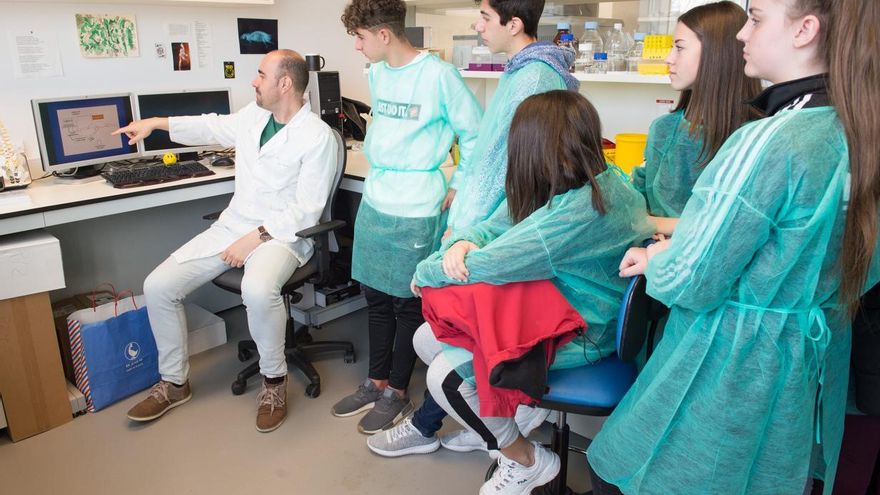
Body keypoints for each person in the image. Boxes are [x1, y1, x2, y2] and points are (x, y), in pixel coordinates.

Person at [586, 0, 880, 493]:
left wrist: (658, 259)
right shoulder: (856, 131)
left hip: (730, 358)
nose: (743, 34)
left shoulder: (770, 141)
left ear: (805, 30)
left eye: (757, 18)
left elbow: (692, 280)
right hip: (803, 362)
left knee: (627, 472)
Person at [366, 0, 581, 457]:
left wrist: (464, 230)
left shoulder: (534, 78)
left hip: (500, 229)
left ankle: (446, 427)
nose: (477, 25)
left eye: (484, 17)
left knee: (455, 338)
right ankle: (476, 421)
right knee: (453, 338)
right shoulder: (523, 71)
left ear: (514, 23)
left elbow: (499, 167)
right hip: (492, 225)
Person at [413, 90, 653, 494]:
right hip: (563, 308)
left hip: (582, 333)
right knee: (425, 338)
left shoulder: (575, 213)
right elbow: (494, 226)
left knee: (445, 377)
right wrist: (463, 242)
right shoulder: (600, 179)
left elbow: (490, 264)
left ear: (534, 148)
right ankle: (503, 424)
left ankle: (527, 460)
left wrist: (425, 272)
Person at [117, 50, 337, 433]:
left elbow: (307, 210)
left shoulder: (317, 137)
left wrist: (256, 237)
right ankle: (175, 383)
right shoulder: (255, 117)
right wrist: (156, 123)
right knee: (158, 286)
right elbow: (210, 126)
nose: (253, 81)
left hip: (281, 236)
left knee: (257, 289)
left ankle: (274, 382)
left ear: (285, 83)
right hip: (234, 226)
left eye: (261, 74)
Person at [332, 0, 482, 435]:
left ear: (384, 34)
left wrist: (460, 184)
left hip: (417, 204)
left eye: (360, 37)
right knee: (375, 295)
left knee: (407, 301)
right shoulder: (377, 73)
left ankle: (398, 390)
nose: (357, 46)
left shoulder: (439, 75)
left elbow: (476, 135)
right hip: (377, 197)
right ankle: (376, 380)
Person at [632, 1, 761, 235]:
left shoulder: (753, 138)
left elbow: (735, 225)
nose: (669, 59)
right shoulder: (664, 129)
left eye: (679, 48)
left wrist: (655, 226)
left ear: (717, 54)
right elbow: (639, 198)